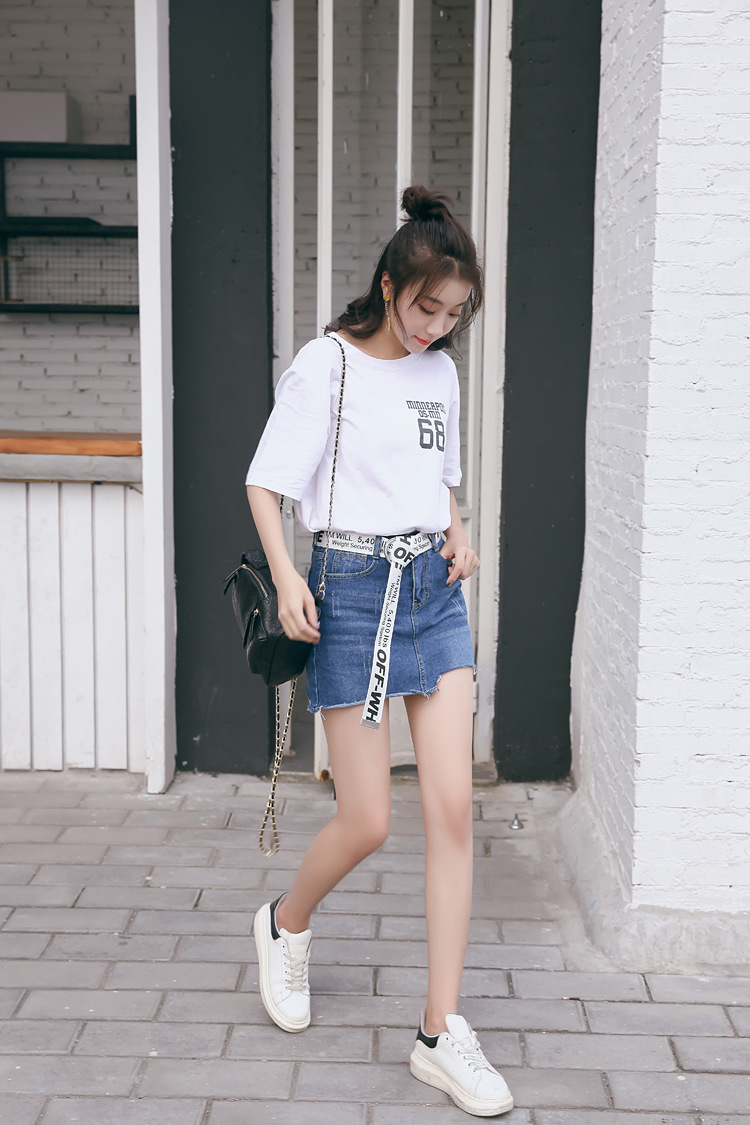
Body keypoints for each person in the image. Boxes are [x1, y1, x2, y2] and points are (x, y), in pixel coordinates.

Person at [245, 185, 513, 1118]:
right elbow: (265, 482)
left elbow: (442, 481)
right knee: (366, 820)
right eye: (427, 307)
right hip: (352, 595)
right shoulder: (327, 365)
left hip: (433, 595)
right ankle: (284, 924)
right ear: (391, 284)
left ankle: (440, 1029)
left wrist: (460, 534)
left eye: (456, 314)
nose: (439, 328)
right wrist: (289, 576)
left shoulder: (440, 374)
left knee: (452, 811)